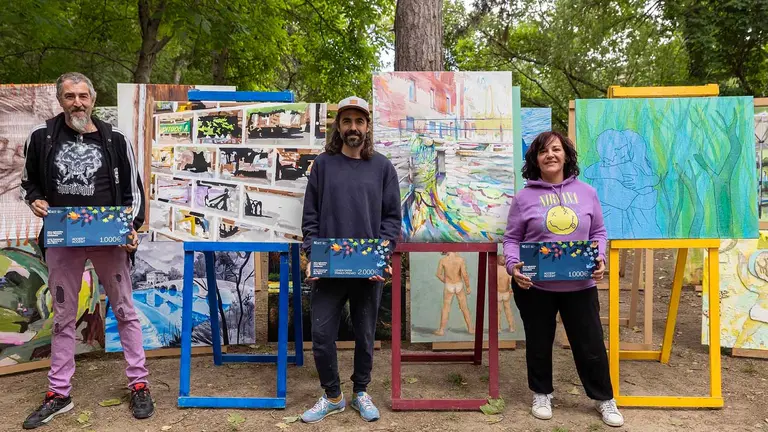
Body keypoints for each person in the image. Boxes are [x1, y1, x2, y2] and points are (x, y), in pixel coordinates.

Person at [20, 72, 152, 429]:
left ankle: (138, 383)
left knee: (125, 310)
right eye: (69, 96)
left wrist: (132, 228)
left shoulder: (114, 139)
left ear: (93, 98)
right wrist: (35, 200)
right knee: (63, 316)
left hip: (109, 237)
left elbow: (135, 192)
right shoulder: (42, 137)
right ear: (59, 100)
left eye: (83, 96)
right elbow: (27, 182)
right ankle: (58, 393)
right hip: (63, 237)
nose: (77, 102)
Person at [503, 131, 624, 427]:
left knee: (590, 344)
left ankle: (604, 399)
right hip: (535, 286)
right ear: (535, 159)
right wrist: (512, 266)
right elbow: (511, 239)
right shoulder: (523, 198)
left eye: (556, 149)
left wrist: (600, 257)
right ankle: (542, 392)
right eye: (543, 151)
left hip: (580, 285)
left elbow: (598, 233)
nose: (550, 155)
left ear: (567, 155)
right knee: (539, 342)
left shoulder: (587, 193)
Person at [300, 96, 401, 423]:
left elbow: (391, 220)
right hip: (328, 270)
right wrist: (312, 257)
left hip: (368, 270)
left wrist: (382, 255)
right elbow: (310, 218)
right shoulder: (323, 166)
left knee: (365, 335)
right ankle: (332, 396)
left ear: (367, 127)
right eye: (347, 121)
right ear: (338, 126)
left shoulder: (383, 168)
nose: (353, 127)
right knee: (322, 337)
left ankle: (360, 391)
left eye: (359, 121)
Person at [433, 252, 474, 336]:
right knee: (464, 307)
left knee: (446, 308)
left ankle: (441, 330)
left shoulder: (443, 260)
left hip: (449, 285)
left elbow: (438, 274)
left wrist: (446, 281)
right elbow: (464, 274)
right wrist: (468, 286)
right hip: (459, 284)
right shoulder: (460, 260)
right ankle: (470, 328)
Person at [497, 254, 515, 333]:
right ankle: (511, 327)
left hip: (498, 293)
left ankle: (498, 328)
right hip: (506, 292)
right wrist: (511, 290)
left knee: (498, 311)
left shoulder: (496, 271)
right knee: (508, 310)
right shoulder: (507, 271)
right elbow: (511, 282)